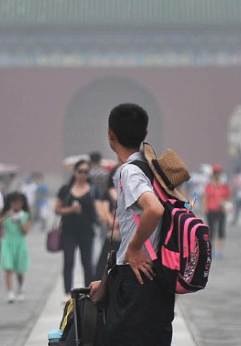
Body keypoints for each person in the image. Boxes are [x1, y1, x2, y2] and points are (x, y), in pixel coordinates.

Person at [93, 103, 175, 346]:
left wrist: (134, 248)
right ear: (144, 135)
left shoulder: (129, 171)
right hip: (157, 275)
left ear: (110, 134)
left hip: (138, 277)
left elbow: (154, 209)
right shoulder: (154, 168)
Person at [55, 159, 98, 293]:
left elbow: (99, 209)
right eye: (80, 171)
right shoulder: (66, 189)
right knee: (68, 262)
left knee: (87, 263)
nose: (83, 175)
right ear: (75, 172)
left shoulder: (93, 190)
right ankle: (67, 292)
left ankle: (88, 292)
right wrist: (71, 210)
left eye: (86, 172)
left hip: (86, 231)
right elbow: (57, 209)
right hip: (69, 231)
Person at [0, 191, 31, 303]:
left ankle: (20, 287)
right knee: (8, 267)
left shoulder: (24, 215)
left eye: (19, 203)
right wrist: (7, 216)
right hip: (8, 242)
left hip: (20, 243)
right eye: (14, 203)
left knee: (20, 270)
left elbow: (25, 231)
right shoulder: (7, 214)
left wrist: (19, 221)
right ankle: (10, 293)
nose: (16, 205)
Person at [203, 166, 231, 259]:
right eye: (215, 173)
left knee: (221, 230)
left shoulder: (224, 185)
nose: (217, 175)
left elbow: (229, 196)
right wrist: (205, 207)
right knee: (211, 231)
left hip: (221, 210)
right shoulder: (209, 185)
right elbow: (205, 197)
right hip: (211, 210)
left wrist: (223, 202)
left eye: (218, 173)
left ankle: (220, 250)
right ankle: (212, 249)